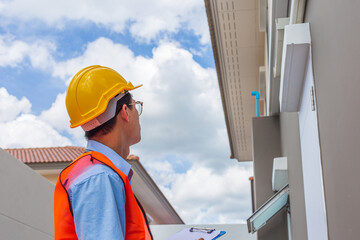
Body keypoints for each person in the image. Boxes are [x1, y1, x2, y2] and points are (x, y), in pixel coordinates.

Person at [54, 65, 153, 240]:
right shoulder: (99, 177)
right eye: (136, 105)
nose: (137, 112)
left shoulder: (97, 173)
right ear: (125, 112)